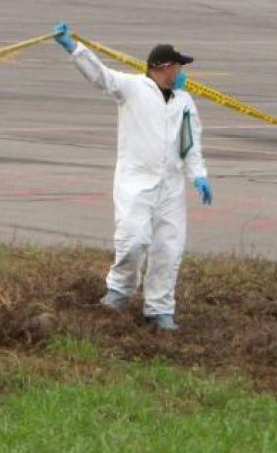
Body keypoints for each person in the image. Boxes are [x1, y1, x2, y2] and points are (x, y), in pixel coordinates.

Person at [52, 22, 212, 331]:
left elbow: (190, 143)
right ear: (164, 67)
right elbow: (101, 76)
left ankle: (160, 309)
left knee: (169, 248)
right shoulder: (133, 89)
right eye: (178, 66)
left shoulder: (184, 102)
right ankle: (119, 291)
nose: (182, 72)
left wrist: (199, 175)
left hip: (171, 188)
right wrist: (73, 48)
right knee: (134, 240)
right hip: (135, 183)